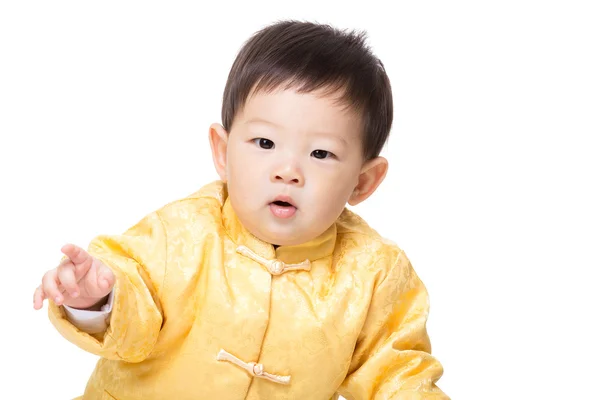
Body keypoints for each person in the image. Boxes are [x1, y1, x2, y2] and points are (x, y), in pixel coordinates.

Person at [33, 20, 449, 400]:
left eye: (321, 153)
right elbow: (132, 303)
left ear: (363, 181)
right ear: (222, 151)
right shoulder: (180, 234)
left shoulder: (372, 273)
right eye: (265, 144)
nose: (288, 172)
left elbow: (396, 372)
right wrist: (96, 298)